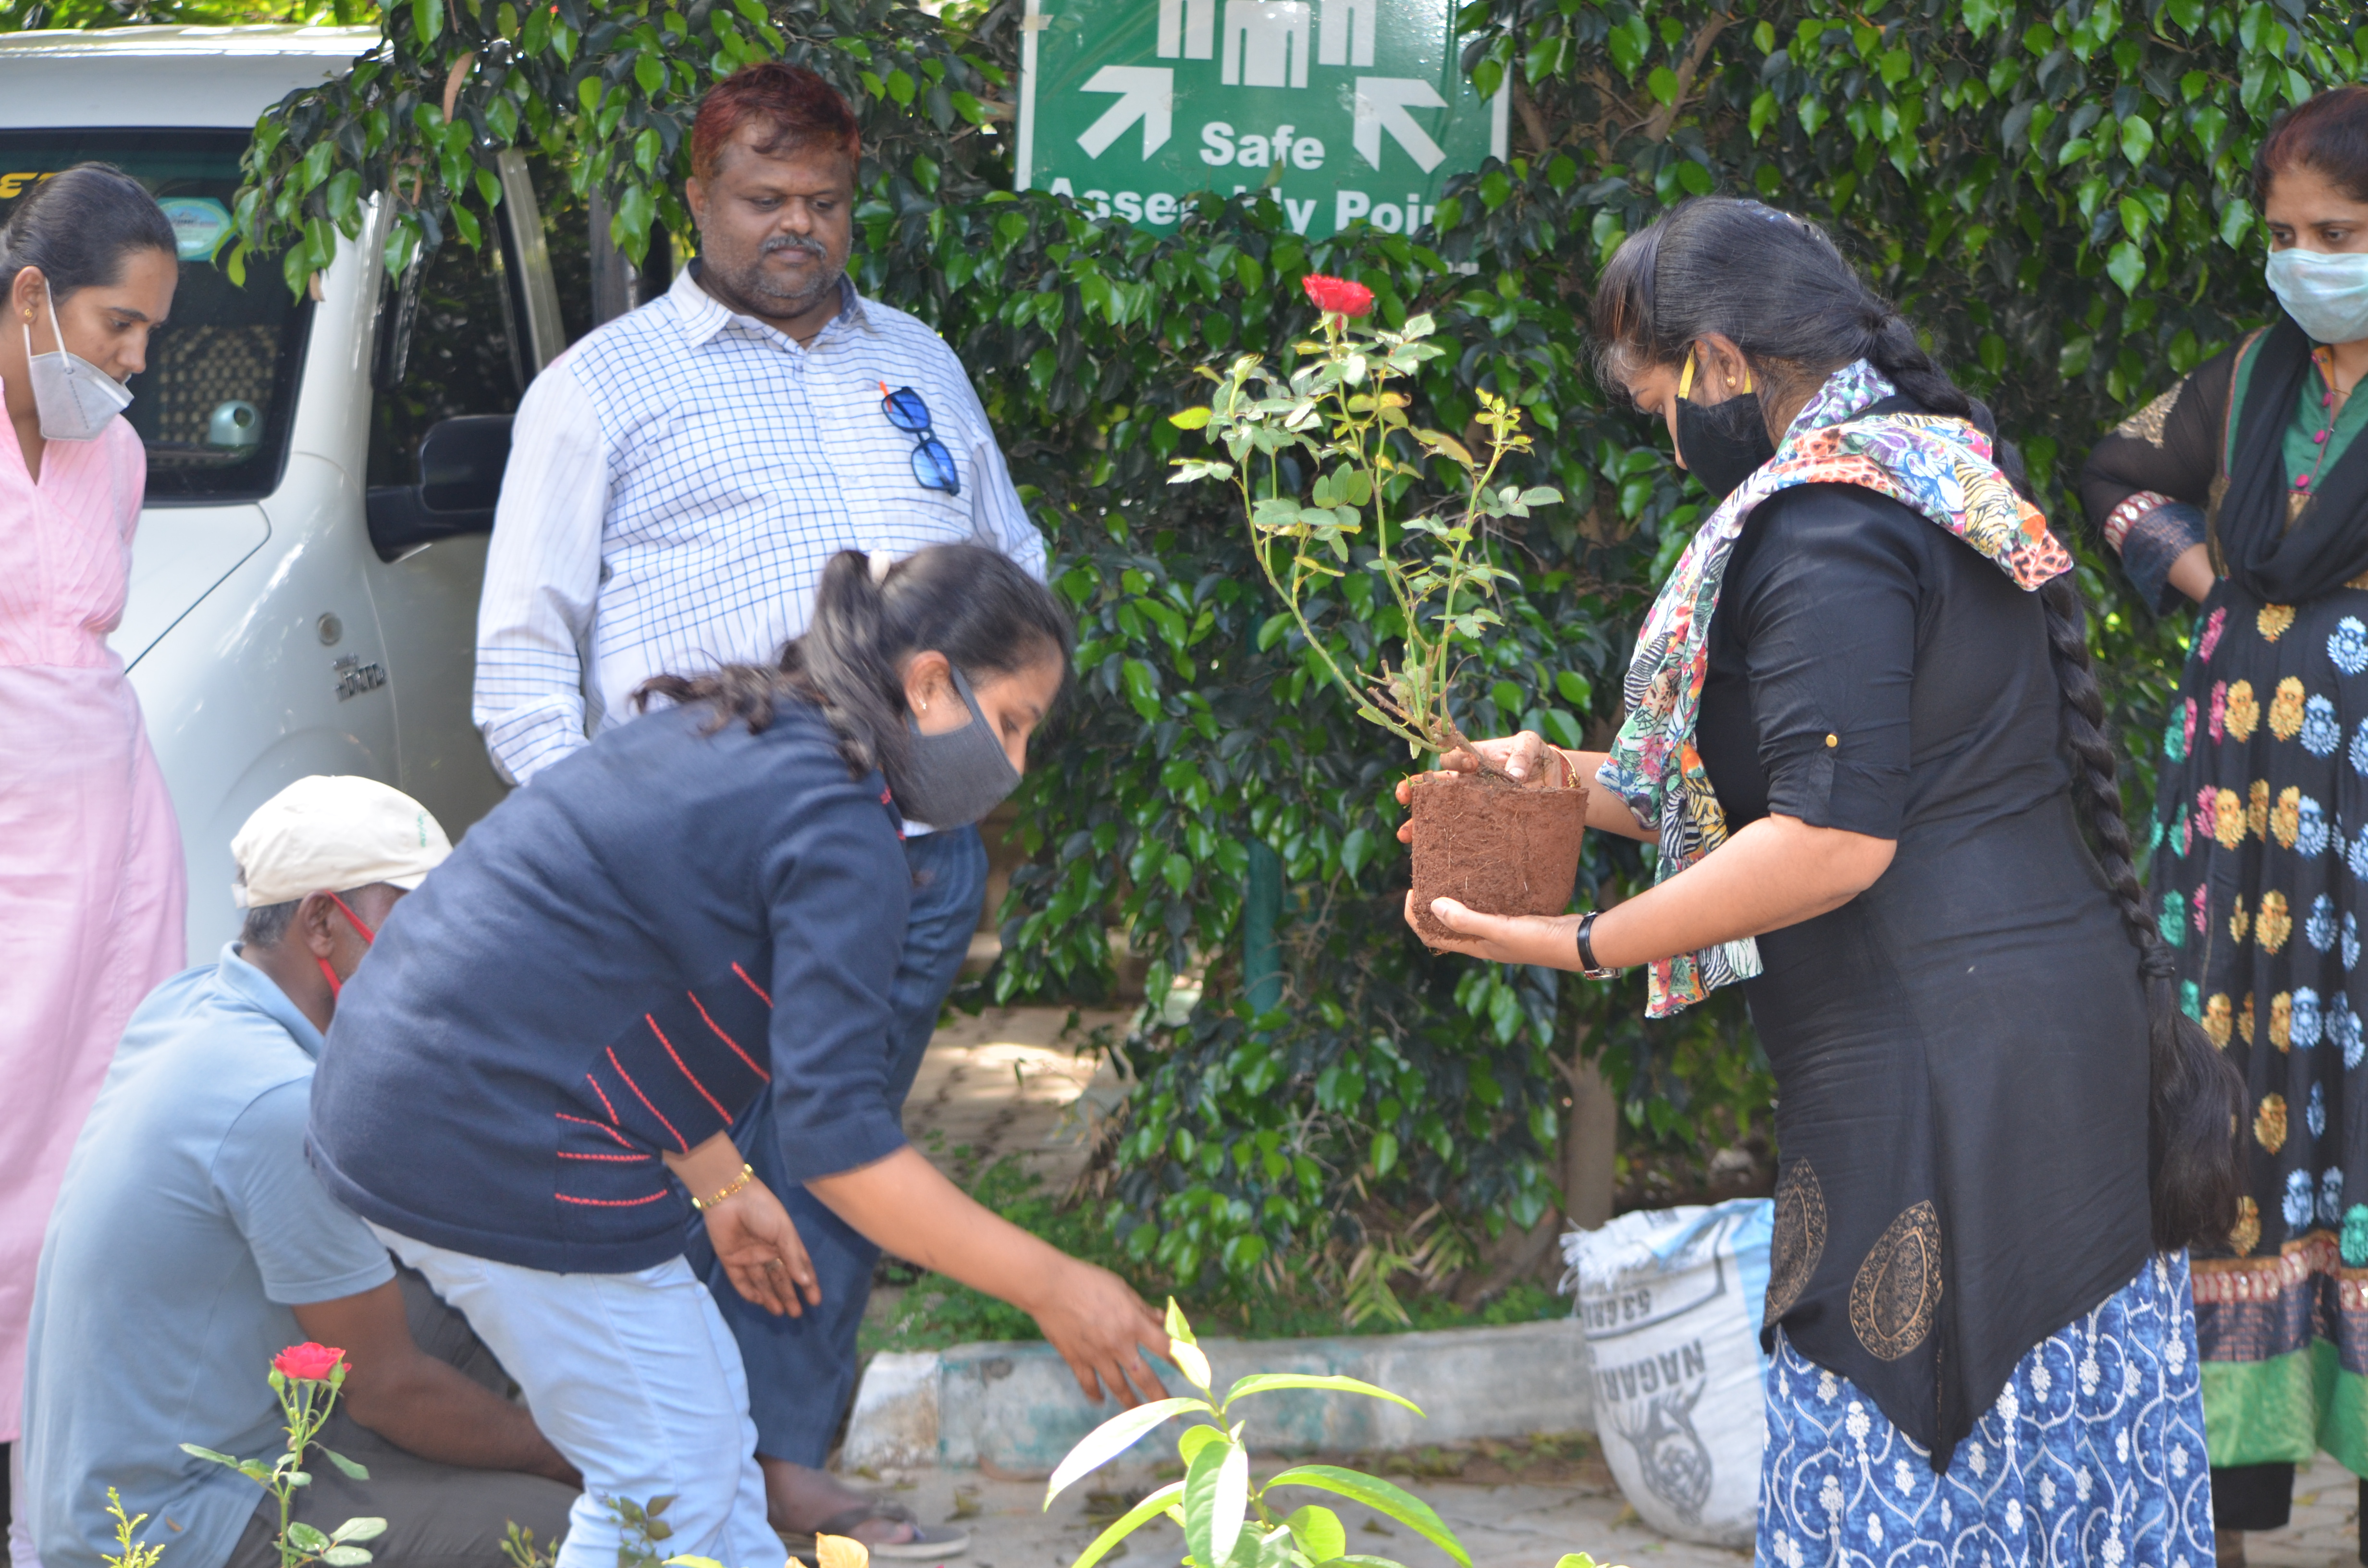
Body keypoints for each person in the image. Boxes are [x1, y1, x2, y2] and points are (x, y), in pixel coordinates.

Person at [1403, 197, 2245, 1567]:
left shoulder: (1827, 528)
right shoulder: (1929, 472)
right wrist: (1562, 777)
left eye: (1662, 392)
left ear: (1727, 361)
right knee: (2061, 1476)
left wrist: (1581, 942)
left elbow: (1831, 843)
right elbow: (1807, 793)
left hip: (1944, 1070)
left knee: (1913, 1444)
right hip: (2038, 1038)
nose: (1664, 426)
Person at [312, 545, 1168, 1568]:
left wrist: (717, 1179)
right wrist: (1054, 1285)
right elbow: (841, 1147)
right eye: (1016, 721)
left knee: (709, 1436)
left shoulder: (751, 733)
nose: (1015, 764)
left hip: (426, 1087)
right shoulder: (843, 829)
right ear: (931, 682)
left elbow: (624, 971)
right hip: (480, 1127)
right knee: (662, 1475)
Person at [471, 61, 1042, 1552]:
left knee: (840, 1152)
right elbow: (523, 665)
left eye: (825, 203)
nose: (797, 227)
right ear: (696, 201)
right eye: (763, 199)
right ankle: (675, 1472)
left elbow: (1009, 570)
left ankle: (786, 1457)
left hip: (909, 855)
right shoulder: (601, 389)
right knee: (687, 1161)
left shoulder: (917, 362)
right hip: (696, 879)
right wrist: (606, 864)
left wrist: (986, 765)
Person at [18, 776, 578, 1568]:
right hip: (169, 1526)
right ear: (321, 921)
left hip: (114, 1470)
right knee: (565, 1529)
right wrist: (573, 1458)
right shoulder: (275, 1099)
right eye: (415, 921)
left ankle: (433, 1481)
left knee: (477, 1283)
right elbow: (386, 1385)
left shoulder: (192, 1004)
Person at [2083, 84, 2368, 1567]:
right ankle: (2228, 1522)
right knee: (2229, 1101)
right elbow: (2119, 477)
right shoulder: (2253, 378)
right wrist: (2220, 590)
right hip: (2238, 847)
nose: (2308, 257)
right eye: (2286, 233)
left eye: (2340, 233)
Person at [0, 163, 189, 1509]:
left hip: (109, 856)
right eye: (118, 326)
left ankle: (57, 1454)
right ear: (29, 297)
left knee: (90, 1150)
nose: (133, 360)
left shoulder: (111, 451)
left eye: (148, 335)